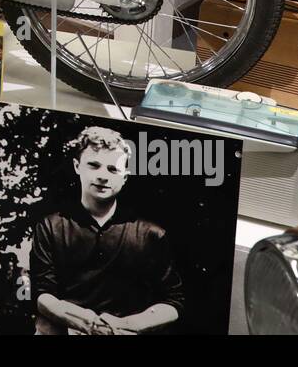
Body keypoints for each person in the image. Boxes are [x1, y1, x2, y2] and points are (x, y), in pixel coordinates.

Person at [29, 126, 184, 335]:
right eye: (94, 165)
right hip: (63, 329)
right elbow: (43, 296)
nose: (102, 176)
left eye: (113, 169)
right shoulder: (51, 226)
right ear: (77, 166)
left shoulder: (151, 234)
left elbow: (173, 303)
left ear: (125, 177)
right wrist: (86, 323)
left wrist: (124, 326)